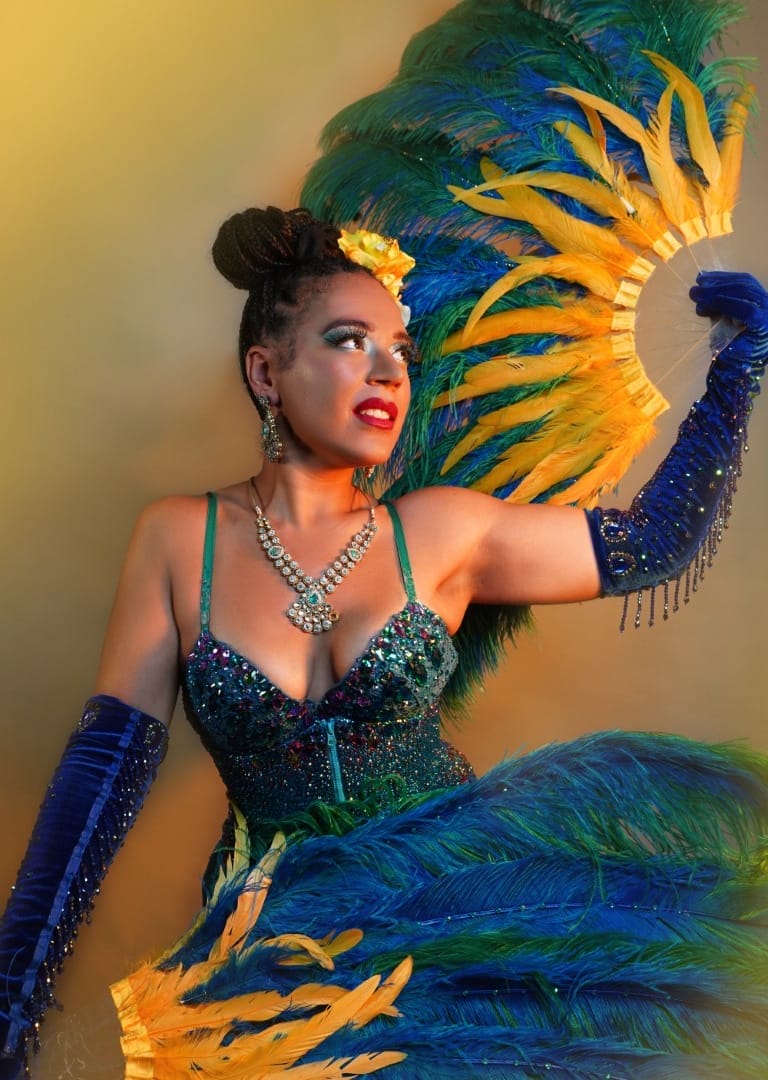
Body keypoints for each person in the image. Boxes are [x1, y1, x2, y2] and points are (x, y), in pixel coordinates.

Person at [1, 205, 766, 1078]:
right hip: (277, 958)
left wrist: (735, 373)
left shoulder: (440, 533)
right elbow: (102, 774)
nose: (388, 372)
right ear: (265, 371)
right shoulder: (180, 539)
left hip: (448, 919)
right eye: (349, 341)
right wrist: (14, 995)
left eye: (400, 351)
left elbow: (650, 543)